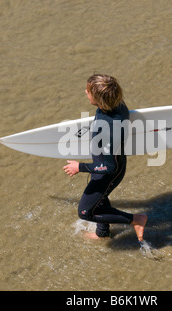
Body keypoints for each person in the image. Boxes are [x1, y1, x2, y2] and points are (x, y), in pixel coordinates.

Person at [63, 74, 147, 243]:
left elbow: (109, 168)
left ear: (99, 98)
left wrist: (80, 167)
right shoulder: (117, 105)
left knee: (86, 212)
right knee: (99, 199)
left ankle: (135, 220)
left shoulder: (108, 129)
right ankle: (103, 232)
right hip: (110, 160)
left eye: (88, 91)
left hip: (108, 172)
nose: (85, 91)